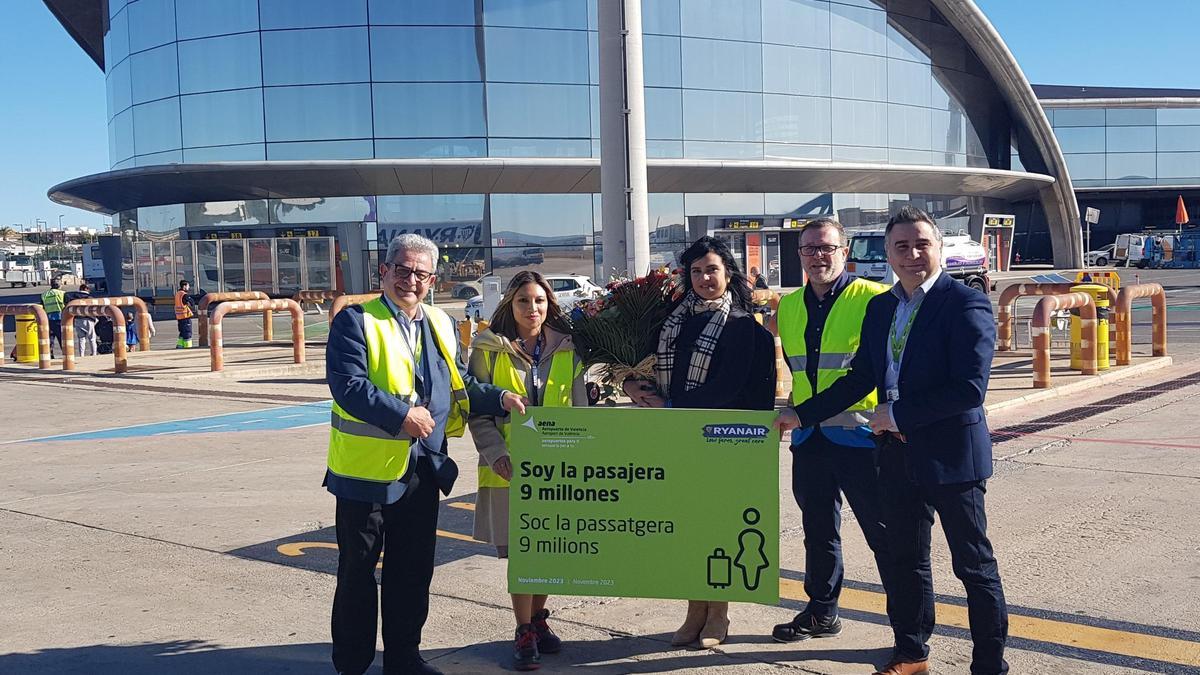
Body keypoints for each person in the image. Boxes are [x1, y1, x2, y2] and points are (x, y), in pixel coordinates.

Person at [775, 206, 1008, 675]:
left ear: (938, 247)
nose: (912, 254)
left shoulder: (965, 302)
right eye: (901, 246)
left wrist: (897, 413)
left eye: (921, 243)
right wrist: (801, 413)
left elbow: (969, 388)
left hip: (951, 456)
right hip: (896, 455)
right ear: (887, 253)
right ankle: (911, 651)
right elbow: (859, 376)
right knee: (906, 562)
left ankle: (988, 665)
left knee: (973, 567)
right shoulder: (882, 308)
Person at [325, 233, 527, 675]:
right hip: (365, 475)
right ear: (385, 271)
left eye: (420, 273)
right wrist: (403, 416)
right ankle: (353, 664)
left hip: (423, 468)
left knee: (412, 573)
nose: (410, 281)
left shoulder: (440, 322)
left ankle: (404, 658)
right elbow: (349, 386)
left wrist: (498, 397)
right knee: (357, 573)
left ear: (433, 279)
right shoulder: (356, 321)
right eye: (402, 270)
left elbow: (458, 385)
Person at [623, 235, 776, 650]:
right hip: (675, 439)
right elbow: (642, 363)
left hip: (723, 444)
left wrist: (670, 404)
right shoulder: (671, 318)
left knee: (719, 528)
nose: (705, 278)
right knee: (686, 527)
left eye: (712, 270)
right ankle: (694, 608)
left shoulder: (743, 324)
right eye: (696, 271)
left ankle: (718, 613)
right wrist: (632, 382)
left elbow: (727, 388)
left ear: (728, 273)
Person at [767, 218, 896, 646]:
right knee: (818, 532)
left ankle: (907, 628)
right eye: (809, 249)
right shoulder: (788, 306)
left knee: (885, 534)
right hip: (810, 442)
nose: (818, 256)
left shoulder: (875, 298)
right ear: (799, 254)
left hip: (862, 438)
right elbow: (800, 374)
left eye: (827, 248)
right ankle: (822, 612)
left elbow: (871, 373)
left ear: (845, 252)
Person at [468, 270, 588, 671]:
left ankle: (538, 620)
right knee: (524, 553)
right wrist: (494, 452)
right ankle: (523, 630)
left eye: (539, 300)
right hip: (509, 469)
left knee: (550, 549)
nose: (532, 308)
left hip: (560, 472)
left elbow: (581, 409)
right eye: (523, 301)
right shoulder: (488, 348)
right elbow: (478, 409)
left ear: (549, 303)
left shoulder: (569, 349)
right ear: (509, 304)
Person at [67, 282, 98, 357]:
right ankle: (94, 353)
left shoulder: (74, 297)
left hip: (78, 319)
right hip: (88, 319)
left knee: (81, 338)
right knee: (92, 338)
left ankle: (82, 355)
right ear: (86, 289)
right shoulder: (90, 297)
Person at [40, 278, 66, 359]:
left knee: (50, 339)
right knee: (63, 339)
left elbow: (42, 307)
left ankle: (49, 355)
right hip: (60, 319)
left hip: (48, 320)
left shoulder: (44, 294)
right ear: (59, 285)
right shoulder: (63, 293)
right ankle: (66, 355)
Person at [174, 280, 196, 349]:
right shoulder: (184, 294)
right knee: (187, 332)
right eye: (188, 286)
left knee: (182, 332)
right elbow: (191, 301)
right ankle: (188, 346)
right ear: (184, 286)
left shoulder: (177, 294)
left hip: (179, 317)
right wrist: (193, 304)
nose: (189, 287)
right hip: (185, 317)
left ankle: (180, 345)